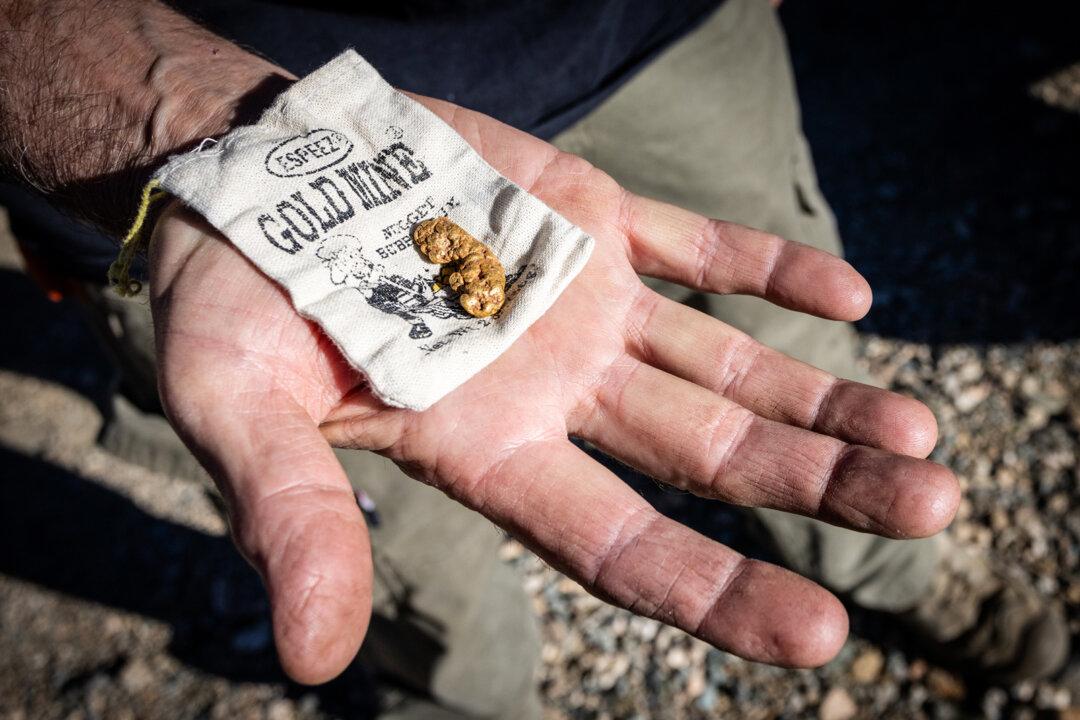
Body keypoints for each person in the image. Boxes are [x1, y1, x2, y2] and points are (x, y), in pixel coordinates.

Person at [0, 0, 1066, 717]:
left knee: (783, 363)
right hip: (178, 161)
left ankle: (899, 571)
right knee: (406, 544)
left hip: (641, 34)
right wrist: (187, 118)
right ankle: (463, 695)